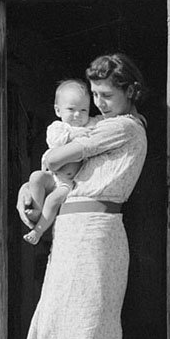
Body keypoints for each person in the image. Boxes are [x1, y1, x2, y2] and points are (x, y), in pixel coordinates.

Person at [19, 52, 149, 339]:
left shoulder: (125, 127)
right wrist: (33, 185)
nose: (100, 102)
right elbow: (54, 169)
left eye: (108, 94)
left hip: (97, 234)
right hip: (73, 234)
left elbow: (56, 158)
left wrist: (47, 168)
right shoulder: (98, 125)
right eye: (94, 95)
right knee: (75, 325)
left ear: (131, 91)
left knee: (91, 328)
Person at [23, 79, 97, 245]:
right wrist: (77, 135)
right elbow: (56, 142)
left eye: (83, 110)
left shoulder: (91, 124)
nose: (78, 115)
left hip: (67, 183)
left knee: (53, 201)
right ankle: (37, 209)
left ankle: (38, 230)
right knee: (35, 177)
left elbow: (102, 124)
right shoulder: (58, 127)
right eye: (71, 109)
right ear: (58, 110)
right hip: (52, 175)